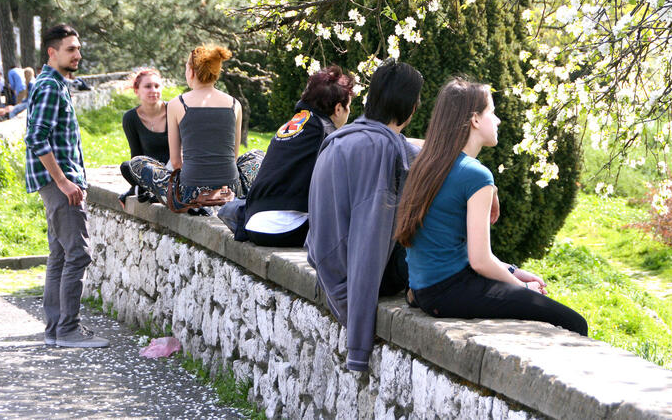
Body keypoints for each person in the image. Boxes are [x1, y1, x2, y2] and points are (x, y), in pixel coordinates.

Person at [395, 79, 588, 337]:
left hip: (422, 290)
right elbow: (480, 260)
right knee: (574, 323)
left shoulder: (428, 164)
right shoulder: (475, 175)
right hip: (448, 292)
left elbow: (466, 254)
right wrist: (521, 287)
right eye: (492, 112)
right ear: (475, 119)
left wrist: (514, 271)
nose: (497, 121)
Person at [306, 59, 424, 372]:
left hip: (327, 265)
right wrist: (358, 347)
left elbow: (420, 152)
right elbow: (368, 243)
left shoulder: (347, 137)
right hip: (352, 276)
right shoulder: (382, 152)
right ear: (412, 107)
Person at [25, 23, 108, 349]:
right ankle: (67, 330)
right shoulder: (49, 87)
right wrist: (63, 181)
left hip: (59, 182)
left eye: (78, 48)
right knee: (78, 254)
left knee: (60, 254)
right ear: (52, 52)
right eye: (71, 49)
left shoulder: (54, 84)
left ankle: (56, 330)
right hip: (58, 184)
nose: (78, 54)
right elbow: (35, 137)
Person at [123, 44, 241, 215]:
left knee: (136, 163)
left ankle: (190, 200)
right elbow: (234, 157)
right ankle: (220, 196)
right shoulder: (234, 103)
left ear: (191, 72)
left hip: (188, 191)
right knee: (254, 156)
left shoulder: (178, 103)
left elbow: (176, 162)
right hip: (228, 189)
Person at [244, 65, 355, 247]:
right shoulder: (325, 132)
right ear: (338, 109)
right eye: (348, 106)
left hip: (252, 223)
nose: (349, 112)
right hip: (284, 229)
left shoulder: (294, 124)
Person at [119, 68, 168, 206]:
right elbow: (136, 156)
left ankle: (153, 191)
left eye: (157, 86)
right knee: (126, 166)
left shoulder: (174, 110)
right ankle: (143, 189)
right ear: (137, 91)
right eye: (147, 86)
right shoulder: (130, 118)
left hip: (174, 170)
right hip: (150, 172)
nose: (153, 90)